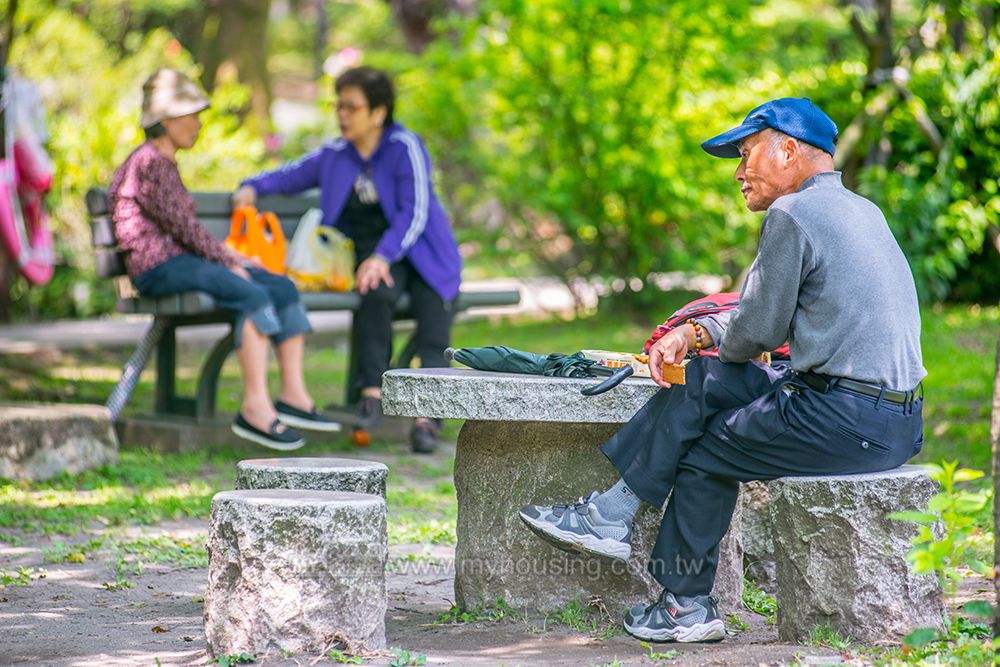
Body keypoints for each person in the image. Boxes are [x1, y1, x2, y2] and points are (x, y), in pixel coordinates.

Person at [518, 98, 925, 643]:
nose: (738, 172)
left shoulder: (792, 214)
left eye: (746, 153)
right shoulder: (860, 210)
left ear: (787, 149)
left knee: (706, 449)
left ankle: (678, 597)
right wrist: (697, 333)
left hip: (843, 417)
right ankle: (613, 520)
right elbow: (765, 314)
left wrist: (702, 339)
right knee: (711, 380)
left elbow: (758, 333)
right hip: (894, 420)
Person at [233, 66, 461, 454]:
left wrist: (383, 256)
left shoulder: (405, 146)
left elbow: (415, 211)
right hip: (375, 257)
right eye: (339, 106)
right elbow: (292, 176)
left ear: (378, 112)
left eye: (351, 107)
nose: (342, 114)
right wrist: (252, 186)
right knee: (375, 294)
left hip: (422, 250)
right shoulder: (336, 154)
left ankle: (429, 417)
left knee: (432, 312)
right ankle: (370, 394)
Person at [110, 68, 341, 451]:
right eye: (191, 114)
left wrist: (230, 260)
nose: (198, 124)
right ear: (165, 119)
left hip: (182, 263)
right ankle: (254, 407)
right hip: (159, 268)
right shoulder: (149, 161)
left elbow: (186, 232)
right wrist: (229, 261)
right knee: (250, 293)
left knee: (280, 286)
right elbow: (184, 230)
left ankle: (294, 397)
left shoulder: (163, 162)